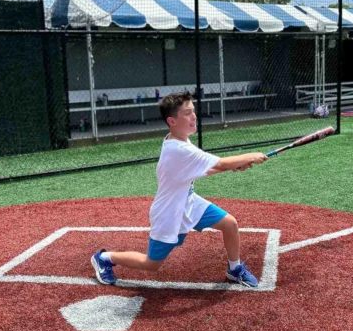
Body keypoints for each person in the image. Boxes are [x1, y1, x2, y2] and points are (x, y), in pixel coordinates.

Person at [91, 91, 268, 288]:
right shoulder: (179, 149)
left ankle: (234, 269)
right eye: (187, 113)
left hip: (188, 202)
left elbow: (204, 169)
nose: (194, 117)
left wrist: (232, 167)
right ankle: (105, 258)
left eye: (193, 111)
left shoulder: (180, 140)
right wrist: (250, 156)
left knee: (229, 224)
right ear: (172, 121)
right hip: (169, 212)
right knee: (152, 264)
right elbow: (220, 163)